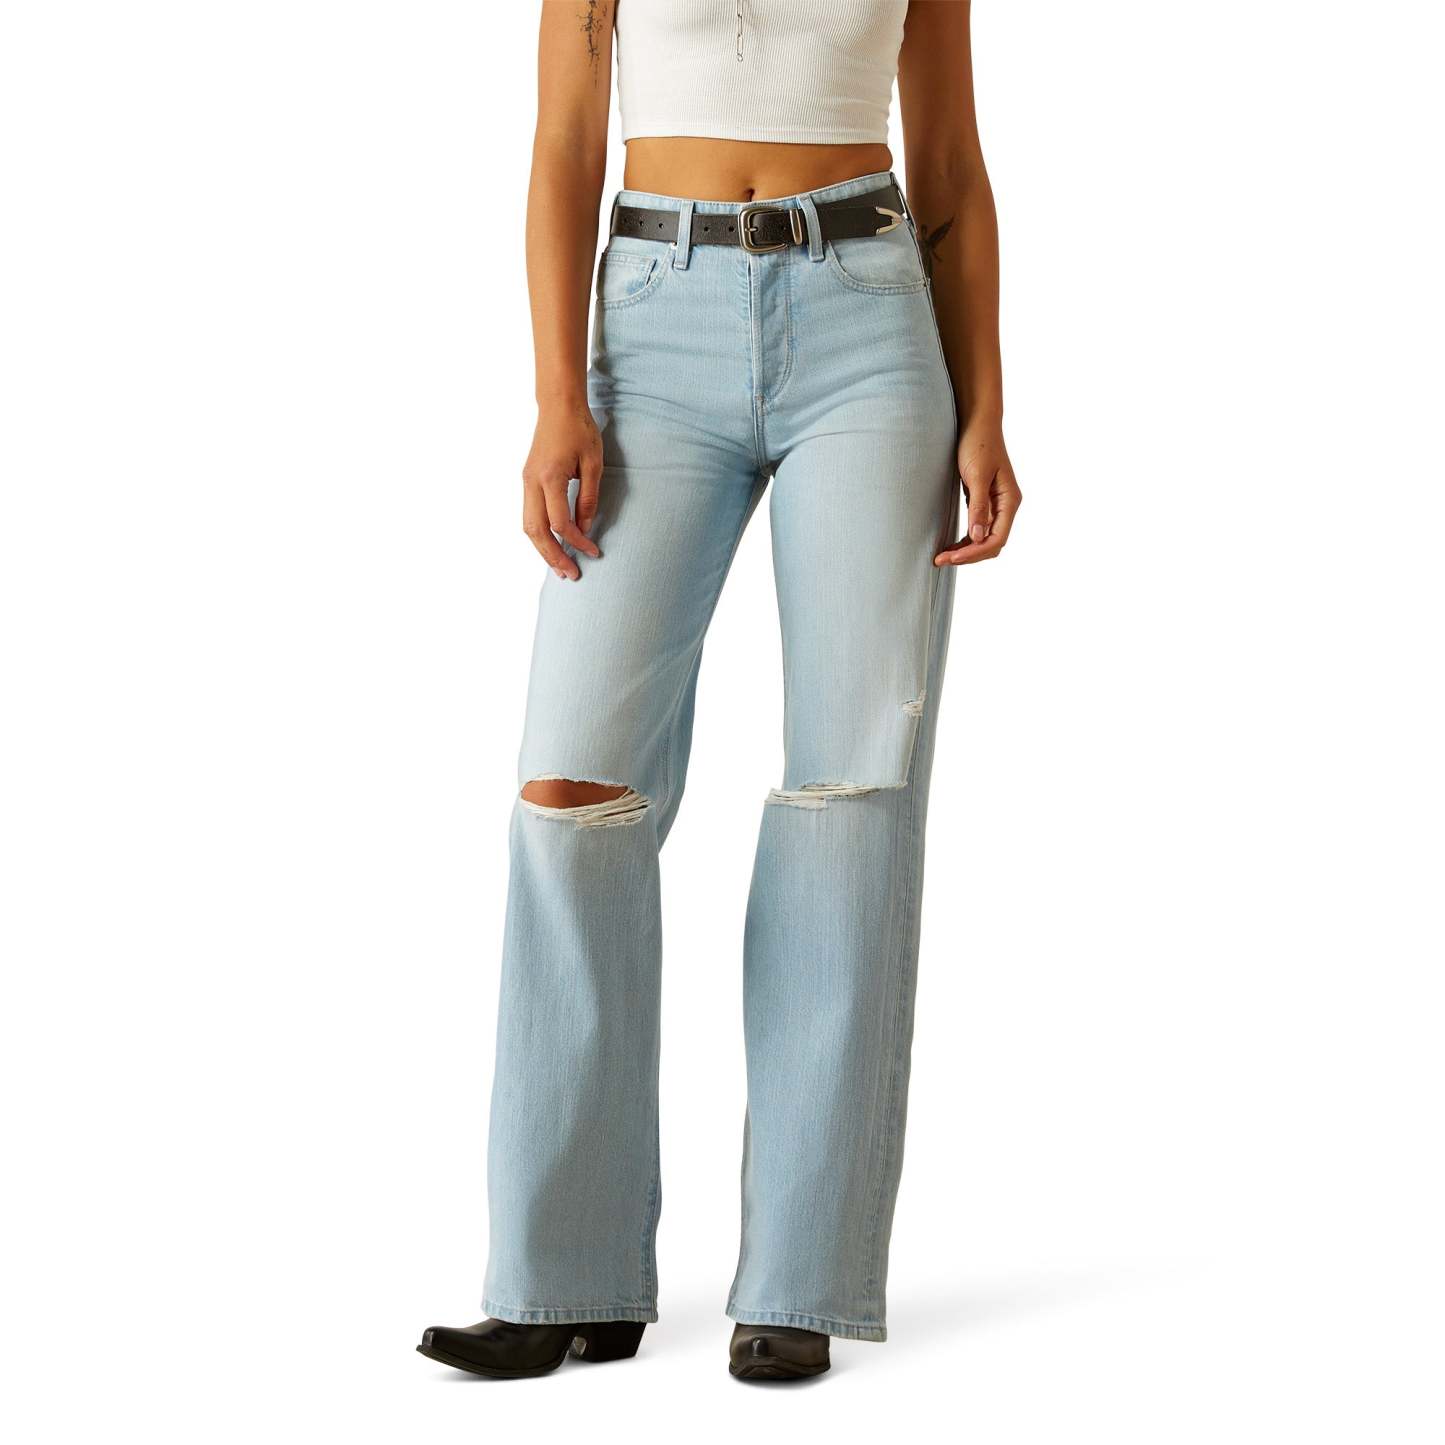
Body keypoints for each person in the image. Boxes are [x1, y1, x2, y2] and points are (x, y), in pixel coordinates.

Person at [418, 0, 1020, 1382]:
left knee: (846, 794)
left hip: (868, 322)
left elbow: (949, 162)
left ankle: (802, 1276)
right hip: (653, 324)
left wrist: (985, 399)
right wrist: (556, 395)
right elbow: (563, 146)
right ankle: (564, 1272)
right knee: (570, 791)